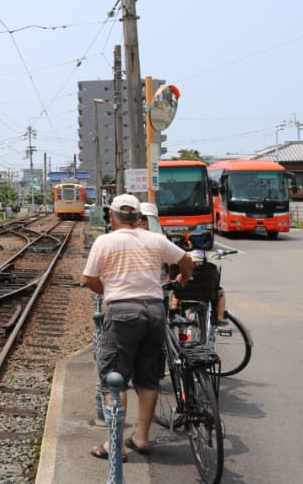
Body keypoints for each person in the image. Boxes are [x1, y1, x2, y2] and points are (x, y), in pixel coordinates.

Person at [83, 194, 194, 460]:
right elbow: (186, 260)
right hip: (155, 311)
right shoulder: (155, 239)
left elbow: (89, 278)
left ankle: (115, 445)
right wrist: (182, 278)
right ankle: (142, 437)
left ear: (112, 216)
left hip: (121, 313)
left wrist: (108, 290)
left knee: (115, 379)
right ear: (139, 218)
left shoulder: (105, 241)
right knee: (148, 377)